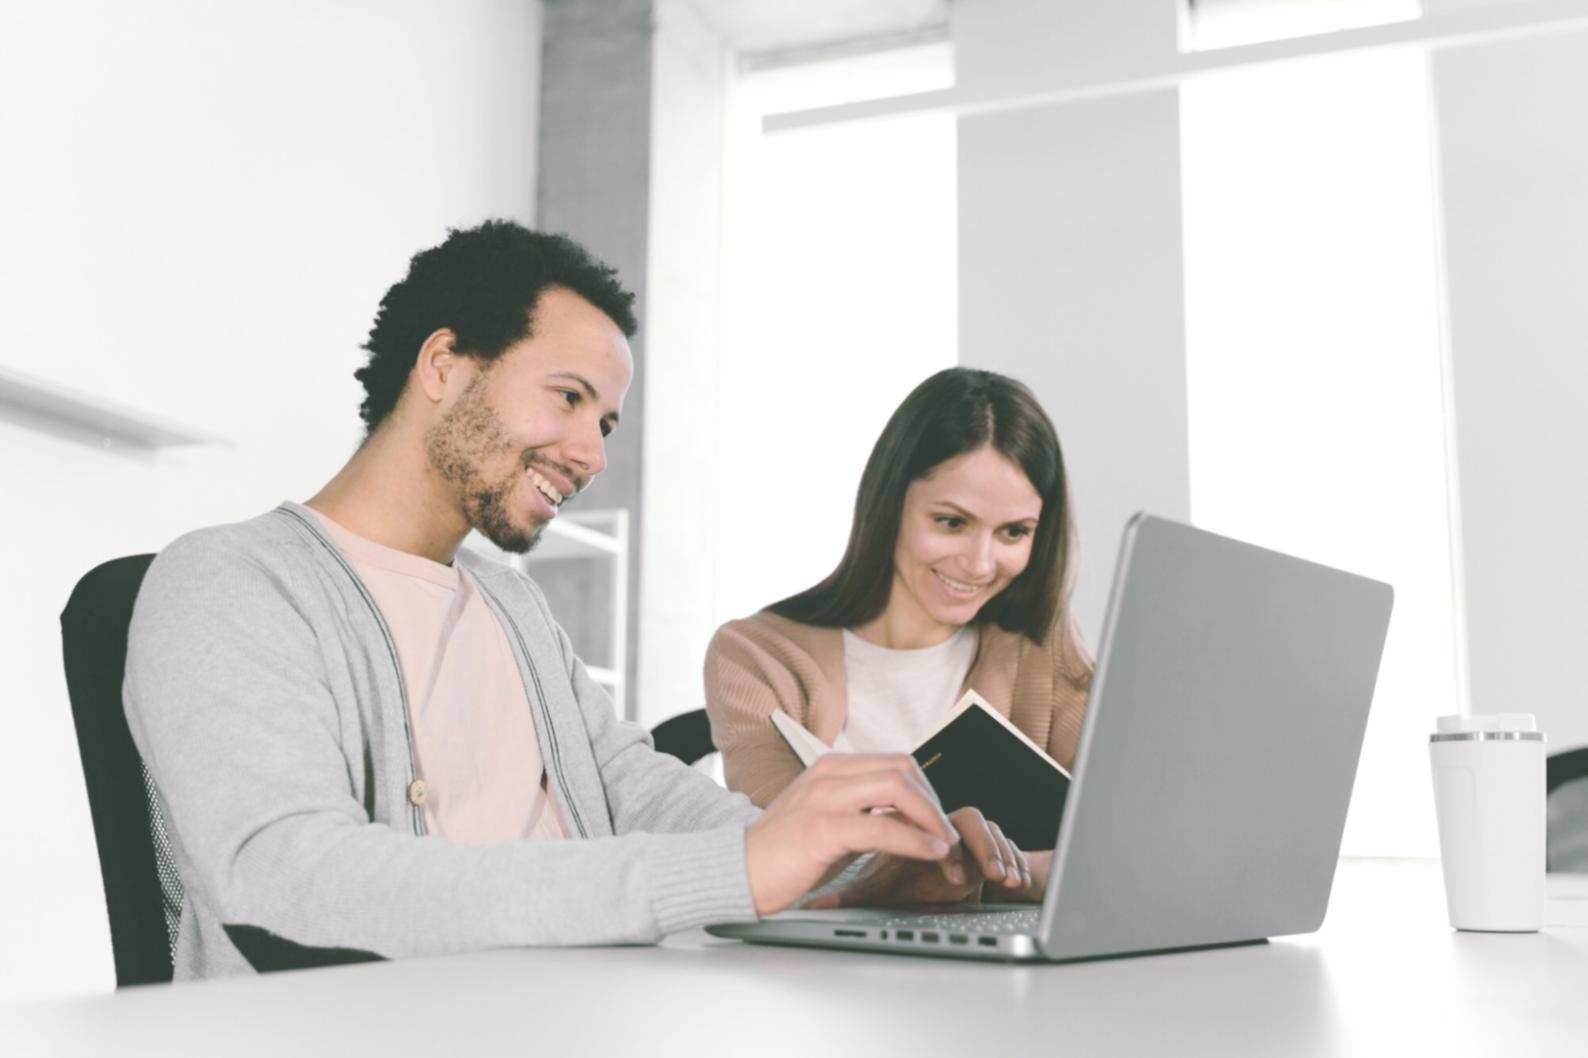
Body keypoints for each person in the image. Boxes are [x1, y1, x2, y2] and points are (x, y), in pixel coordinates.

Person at [124, 221, 1023, 979]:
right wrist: (742, 869)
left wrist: (854, 865)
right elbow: (289, 873)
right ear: (444, 364)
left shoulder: (512, 610)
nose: (591, 455)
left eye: (604, 422)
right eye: (568, 397)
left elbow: (635, 790)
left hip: (596, 1008)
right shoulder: (231, 581)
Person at [704, 368, 1093, 889]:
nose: (979, 564)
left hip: (1000, 964)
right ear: (890, 504)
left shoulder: (1042, 650)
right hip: (812, 962)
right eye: (951, 522)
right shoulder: (756, 655)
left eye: (1012, 533)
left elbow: (1121, 843)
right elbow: (775, 853)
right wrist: (1020, 870)